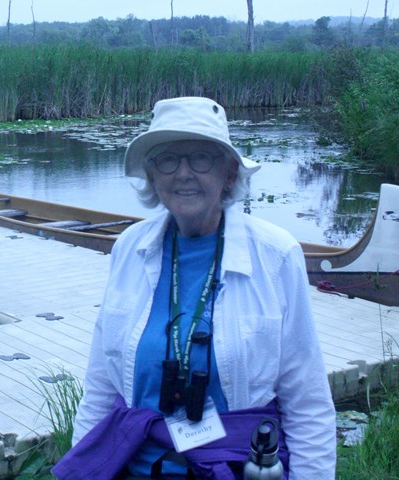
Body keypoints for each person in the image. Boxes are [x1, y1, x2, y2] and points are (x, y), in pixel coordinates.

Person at [54, 97, 335, 480]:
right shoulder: (129, 249)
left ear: (230, 174)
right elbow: (100, 388)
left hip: (238, 470)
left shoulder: (276, 255)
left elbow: (308, 404)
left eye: (201, 158)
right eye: (168, 159)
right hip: (135, 468)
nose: (183, 173)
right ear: (152, 175)